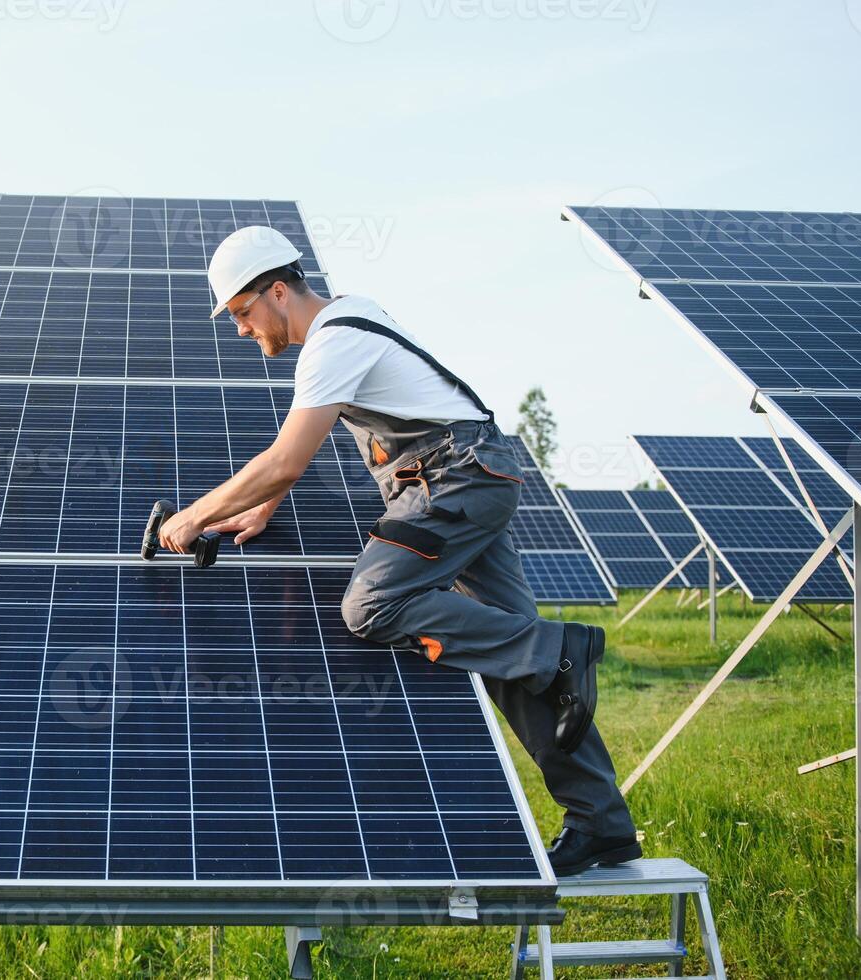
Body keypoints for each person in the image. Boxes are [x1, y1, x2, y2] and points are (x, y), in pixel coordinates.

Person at [157, 226, 639, 875]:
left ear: (276, 290)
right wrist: (261, 505)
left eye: (242, 312)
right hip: (471, 473)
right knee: (510, 655)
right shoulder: (351, 320)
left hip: (452, 480)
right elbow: (309, 446)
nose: (241, 330)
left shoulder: (330, 341)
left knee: (372, 604)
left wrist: (192, 516)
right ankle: (600, 823)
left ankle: (560, 652)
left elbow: (284, 458)